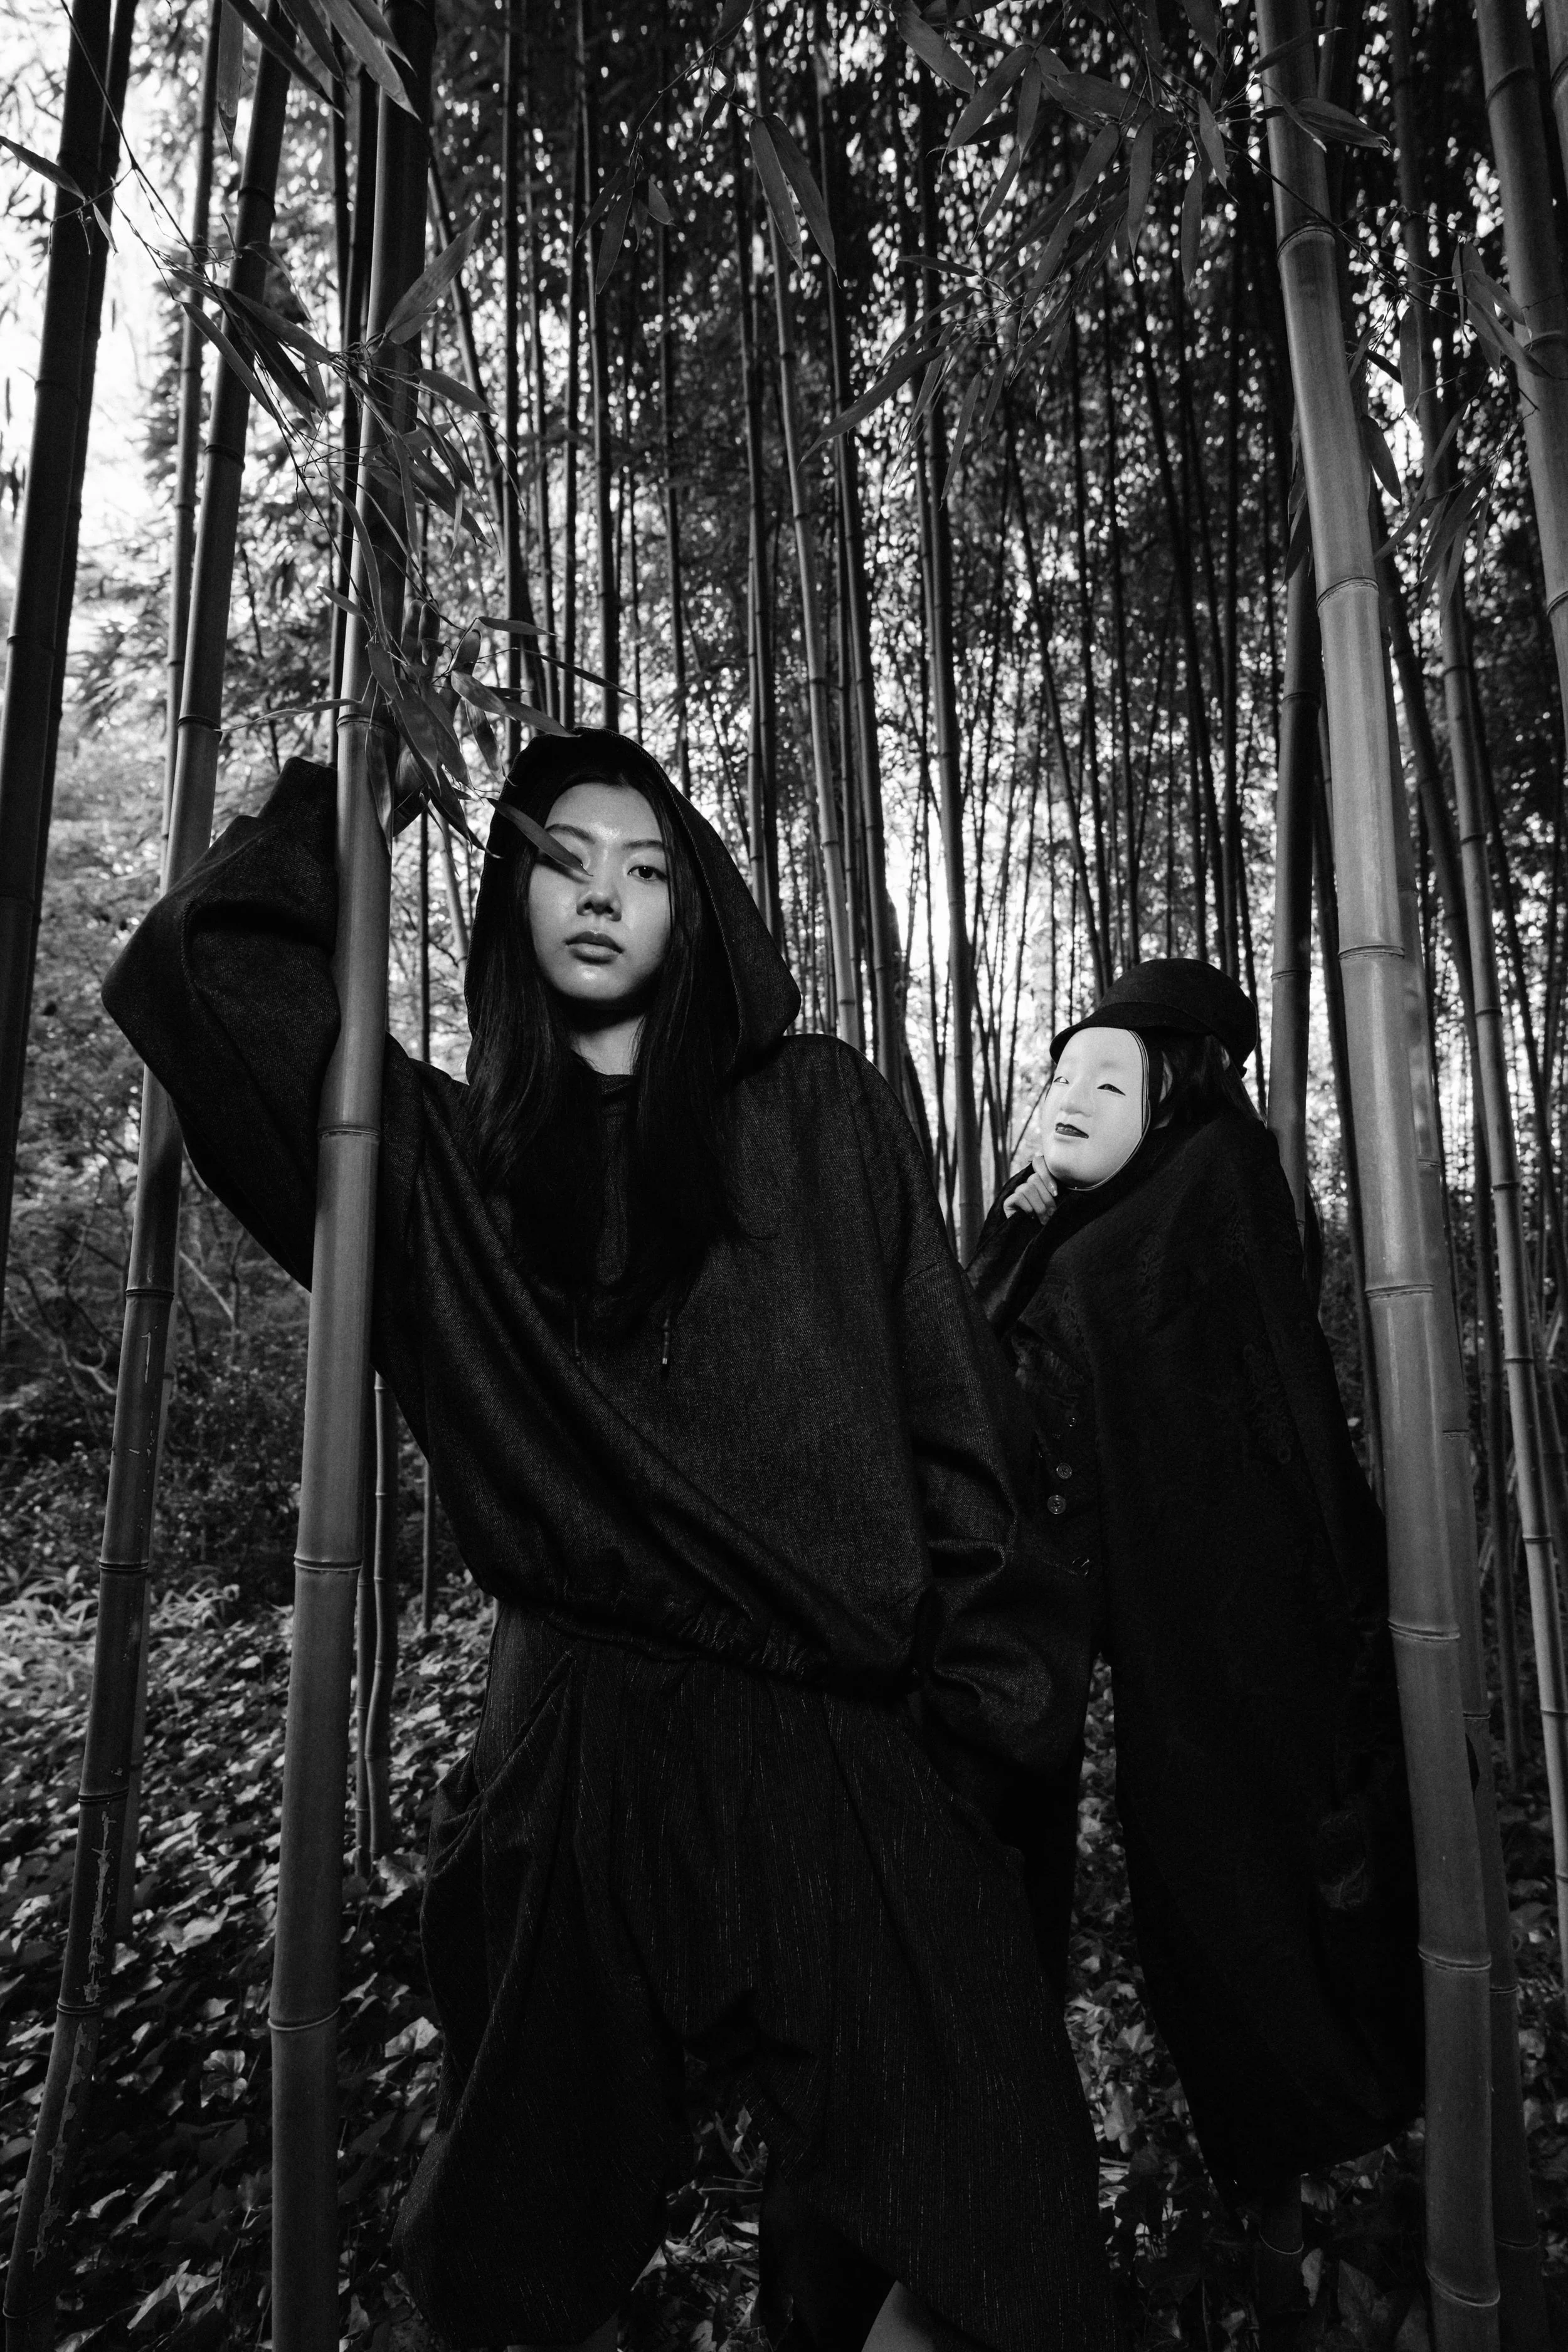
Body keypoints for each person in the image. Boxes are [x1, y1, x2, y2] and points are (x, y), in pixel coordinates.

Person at [103, 728, 1120, 2352]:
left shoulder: (820, 1110)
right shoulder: (449, 1166)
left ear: (694, 904)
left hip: (835, 1741)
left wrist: (973, 1732)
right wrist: (339, 800)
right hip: (580, 1735)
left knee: (1007, 2220)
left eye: (645, 865)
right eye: (564, 859)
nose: (604, 894)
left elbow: (961, 1433)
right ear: (509, 898)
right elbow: (203, 976)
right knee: (512, 2258)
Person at [968, 960, 1422, 2323]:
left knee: (1252, 1897)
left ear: (1169, 1107)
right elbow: (982, 1397)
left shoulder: (1200, 1194)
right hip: (1102, 1621)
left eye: (1106, 1082)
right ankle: (1263, 2227)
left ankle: (1297, 2243)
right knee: (1200, 1908)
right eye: (1055, 1076)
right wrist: (1008, 1229)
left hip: (1235, 1627)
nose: (1065, 1098)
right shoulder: (1077, 1231)